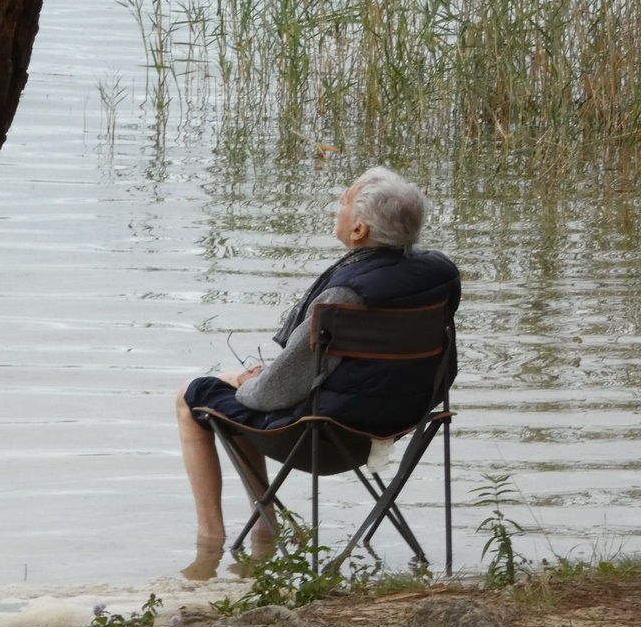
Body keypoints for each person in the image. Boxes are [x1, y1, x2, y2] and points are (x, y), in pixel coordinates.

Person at [174, 167, 460, 576]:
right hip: (404, 419)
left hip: (323, 437)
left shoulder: (344, 296)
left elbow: (271, 395)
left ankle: (211, 544)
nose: (338, 205)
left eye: (344, 201)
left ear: (359, 229)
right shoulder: (440, 276)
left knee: (193, 395)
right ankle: (264, 525)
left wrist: (244, 382)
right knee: (246, 389)